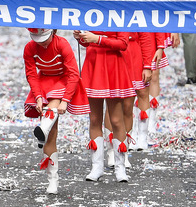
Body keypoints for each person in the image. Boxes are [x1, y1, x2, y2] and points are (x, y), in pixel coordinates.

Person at [23, 28, 88, 194]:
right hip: (44, 82)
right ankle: (52, 179)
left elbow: (73, 73)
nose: (41, 42)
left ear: (53, 32)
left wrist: (65, 100)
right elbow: (31, 74)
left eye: (44, 38)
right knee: (51, 135)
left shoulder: (62, 44)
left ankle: (43, 128)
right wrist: (37, 97)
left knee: (50, 115)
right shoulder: (30, 48)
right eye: (37, 38)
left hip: (63, 81)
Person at [73, 29, 132, 182]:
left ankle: (120, 167)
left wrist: (97, 39)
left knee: (116, 120)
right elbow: (87, 41)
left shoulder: (119, 13)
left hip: (113, 66)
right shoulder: (92, 11)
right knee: (94, 119)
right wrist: (81, 38)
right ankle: (97, 167)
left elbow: (123, 44)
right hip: (93, 65)